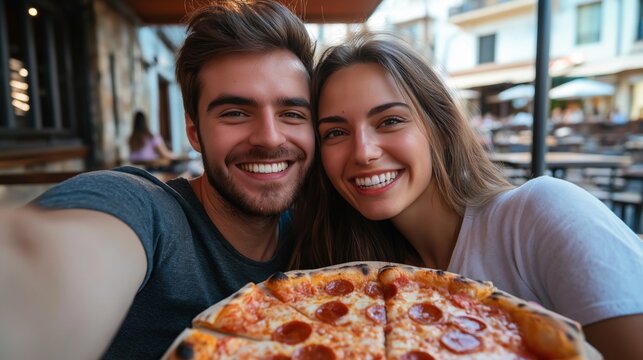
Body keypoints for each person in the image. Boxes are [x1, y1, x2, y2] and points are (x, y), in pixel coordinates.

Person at [290, 34, 643, 359]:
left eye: (390, 121)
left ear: (440, 129)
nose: (363, 152)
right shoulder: (347, 272)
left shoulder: (541, 212)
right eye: (335, 132)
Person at [0, 1, 314, 359]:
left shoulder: (320, 233)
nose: (270, 138)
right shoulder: (145, 211)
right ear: (194, 132)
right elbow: (46, 265)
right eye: (236, 113)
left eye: (291, 113)